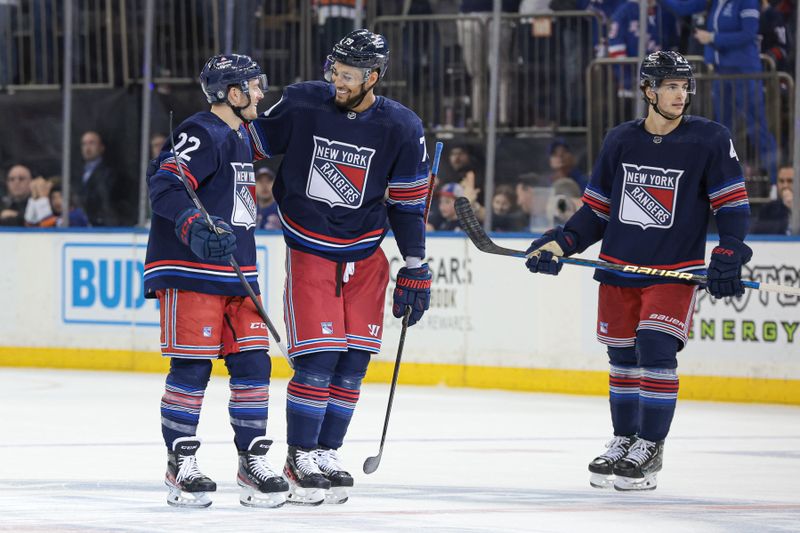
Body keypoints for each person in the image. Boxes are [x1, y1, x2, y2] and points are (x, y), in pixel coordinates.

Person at [524, 51, 751, 491]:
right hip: (618, 269)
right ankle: (623, 439)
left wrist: (731, 251)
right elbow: (596, 211)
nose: (680, 95)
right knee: (623, 358)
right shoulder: (620, 140)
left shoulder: (709, 139)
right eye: (670, 86)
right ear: (648, 90)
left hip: (672, 271)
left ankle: (650, 447)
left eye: (684, 86)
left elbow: (732, 205)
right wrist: (564, 242)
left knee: (655, 350)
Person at [247, 29, 432, 505]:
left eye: (348, 75)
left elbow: (408, 204)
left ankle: (327, 451)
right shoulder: (304, 102)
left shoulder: (403, 127)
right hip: (310, 249)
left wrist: (415, 264)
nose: (338, 82)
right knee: (317, 359)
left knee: (353, 363)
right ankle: (299, 455)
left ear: (374, 76)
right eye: (335, 71)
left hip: (367, 255)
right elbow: (247, 143)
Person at [143, 54, 289, 508]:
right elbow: (164, 184)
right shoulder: (200, 131)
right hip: (192, 270)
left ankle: (251, 461)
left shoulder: (243, 133)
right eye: (254, 85)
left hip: (238, 271)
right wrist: (192, 226)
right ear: (232, 92)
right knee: (192, 367)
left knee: (253, 365)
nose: (262, 93)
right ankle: (180, 462)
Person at [662, 0, 778, 186]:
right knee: (722, 130)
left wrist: (713, 38)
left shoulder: (746, 2)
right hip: (720, 72)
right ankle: (726, 185)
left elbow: (748, 34)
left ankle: (776, 184)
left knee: (757, 127)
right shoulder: (715, 2)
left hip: (744, 72)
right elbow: (682, 7)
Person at [76, 131, 118, 226]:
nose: (87, 147)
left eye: (92, 143)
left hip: (101, 225)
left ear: (102, 147)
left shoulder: (109, 173)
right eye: (84, 144)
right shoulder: (77, 172)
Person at [752, 164, 793, 234]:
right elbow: (756, 231)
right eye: (781, 181)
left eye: (790, 181)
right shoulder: (768, 209)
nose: (785, 185)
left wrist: (793, 208)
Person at [255, 165, 280, 230]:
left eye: (268, 181)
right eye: (260, 181)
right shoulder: (248, 211)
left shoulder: (283, 210)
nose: (264, 185)